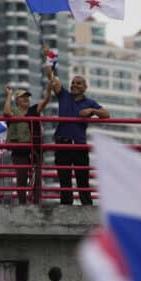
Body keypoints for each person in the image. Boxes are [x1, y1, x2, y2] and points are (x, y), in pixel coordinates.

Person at [50, 72, 109, 205]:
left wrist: (92, 111)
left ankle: (87, 209)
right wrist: (48, 56)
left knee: (83, 180)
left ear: (85, 87)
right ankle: (66, 209)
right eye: (73, 83)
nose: (74, 85)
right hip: (62, 143)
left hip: (79, 145)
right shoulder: (64, 95)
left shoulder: (90, 103)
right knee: (64, 180)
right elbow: (52, 79)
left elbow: (106, 115)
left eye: (78, 83)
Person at [3, 84, 51, 204]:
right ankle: (22, 203)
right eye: (22, 96)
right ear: (16, 100)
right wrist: (9, 95)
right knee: (21, 177)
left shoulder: (34, 110)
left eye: (27, 96)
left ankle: (36, 202)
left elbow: (45, 101)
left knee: (38, 177)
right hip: (20, 149)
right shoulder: (14, 111)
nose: (25, 98)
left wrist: (49, 89)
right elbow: (6, 113)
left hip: (35, 148)